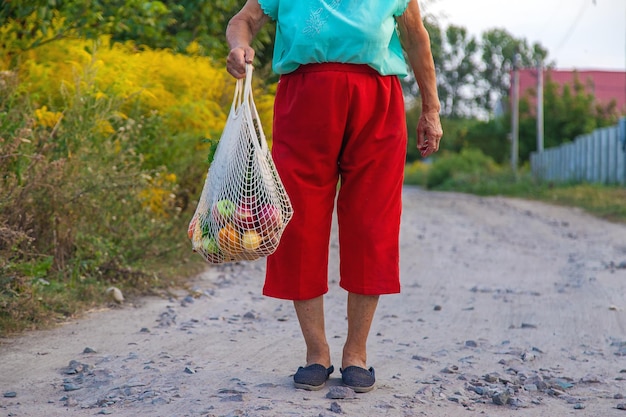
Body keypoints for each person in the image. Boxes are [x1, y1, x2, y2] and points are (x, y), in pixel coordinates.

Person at [225, 0, 443, 393]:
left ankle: (356, 353)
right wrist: (238, 46)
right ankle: (316, 353)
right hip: (303, 97)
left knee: (372, 223)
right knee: (298, 223)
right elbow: (245, 20)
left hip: (377, 98)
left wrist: (431, 108)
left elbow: (415, 38)